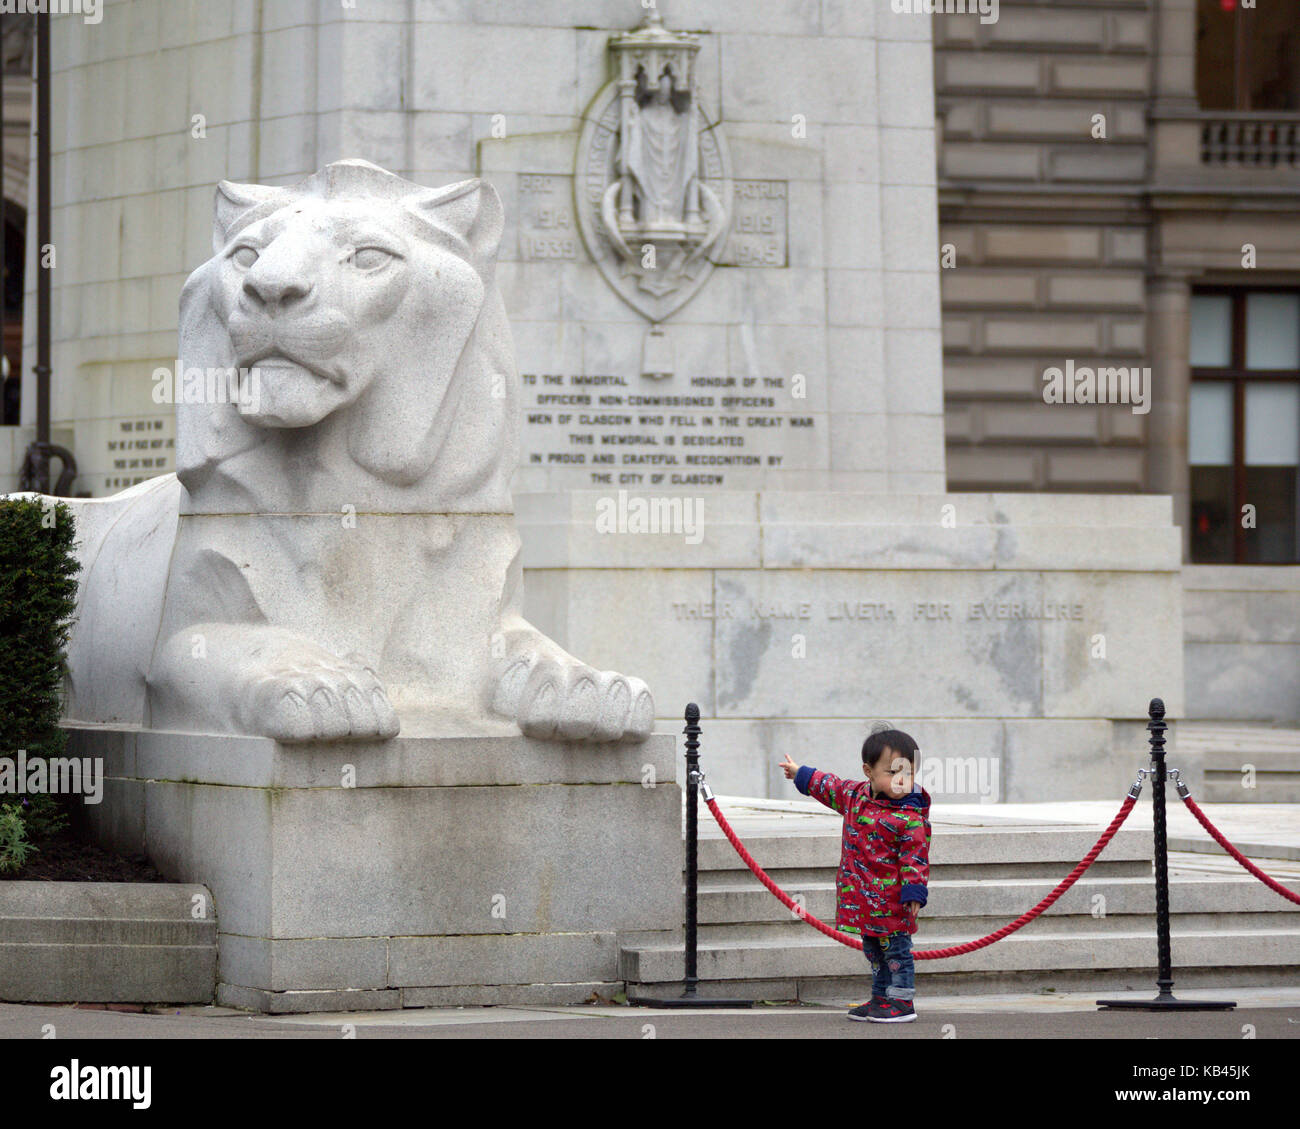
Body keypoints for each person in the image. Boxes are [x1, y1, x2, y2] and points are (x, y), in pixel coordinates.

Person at [780, 727, 931, 1023]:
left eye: (909, 773)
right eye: (892, 772)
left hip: (893, 902)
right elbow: (830, 785)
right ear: (869, 772)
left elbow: (915, 858)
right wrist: (801, 773)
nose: (902, 780)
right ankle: (880, 997)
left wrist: (914, 892)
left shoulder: (910, 817)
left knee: (897, 952)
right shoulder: (854, 797)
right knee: (874, 951)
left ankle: (901, 1002)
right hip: (862, 900)